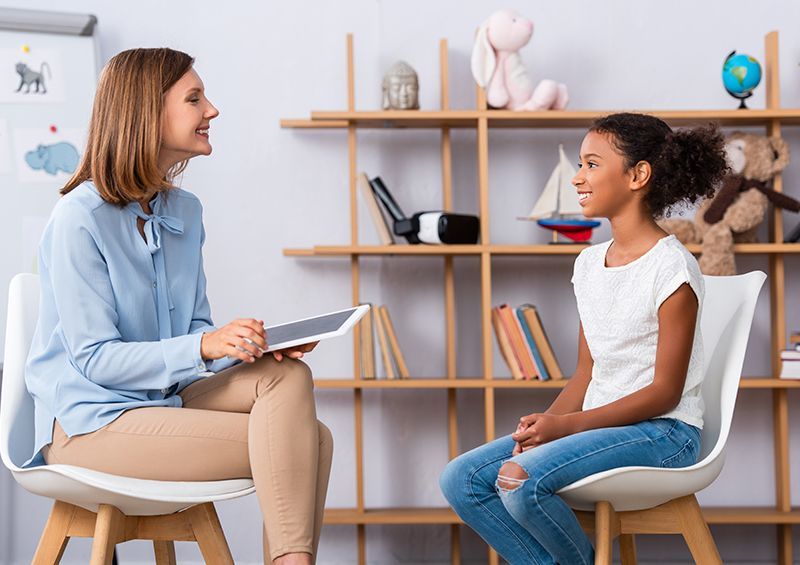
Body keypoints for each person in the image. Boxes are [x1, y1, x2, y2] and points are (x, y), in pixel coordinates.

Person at [24, 48, 331, 565]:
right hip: (92, 423)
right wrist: (205, 344)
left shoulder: (184, 211)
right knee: (309, 442)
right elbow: (96, 359)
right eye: (194, 99)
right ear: (147, 112)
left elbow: (194, 333)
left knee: (287, 377)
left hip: (164, 400)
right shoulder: (79, 218)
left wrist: (247, 348)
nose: (212, 110)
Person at [439, 112, 729, 564]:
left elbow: (665, 392)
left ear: (638, 175)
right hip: (601, 426)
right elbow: (586, 372)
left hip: (666, 432)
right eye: (580, 164)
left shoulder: (672, 268)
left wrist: (567, 427)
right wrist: (544, 426)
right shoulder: (589, 264)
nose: (578, 177)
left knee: (518, 479)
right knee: (462, 480)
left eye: (592, 164)